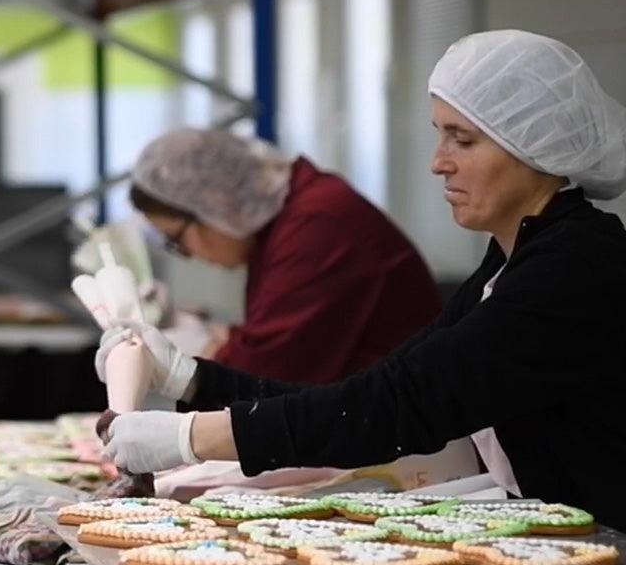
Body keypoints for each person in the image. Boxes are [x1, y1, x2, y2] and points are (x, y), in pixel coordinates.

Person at [97, 30, 626, 532]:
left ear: (532, 146)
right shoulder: (512, 259)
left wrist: (190, 436)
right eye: (439, 135)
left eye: (462, 140)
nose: (438, 163)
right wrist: (193, 380)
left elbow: (396, 404)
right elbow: (369, 389)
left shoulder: (574, 268)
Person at [130, 127, 441, 384]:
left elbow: (258, 378)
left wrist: (192, 358)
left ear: (212, 202)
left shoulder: (316, 226)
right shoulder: (286, 221)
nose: (188, 255)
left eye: (176, 239)